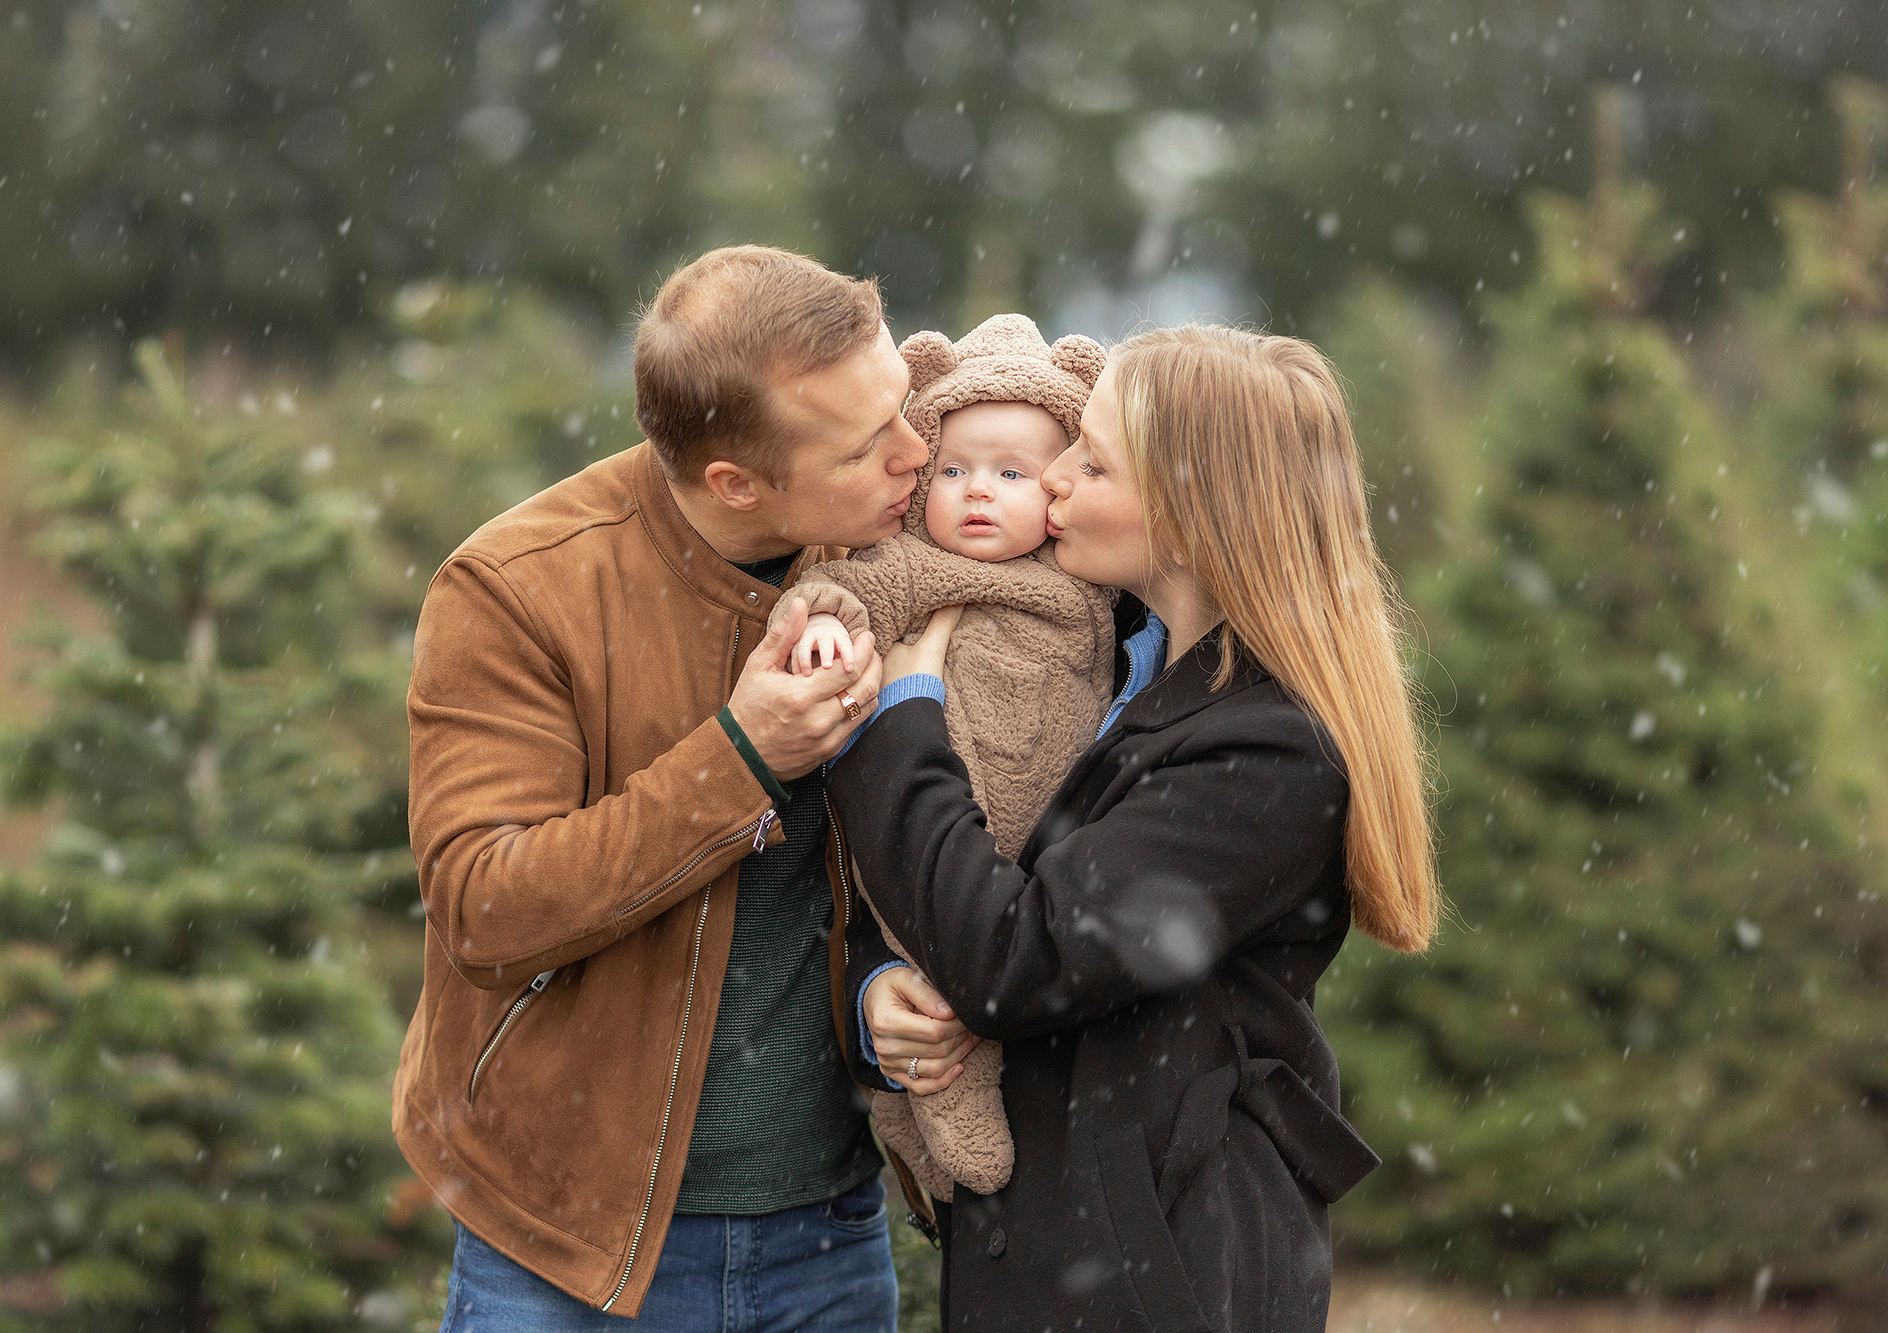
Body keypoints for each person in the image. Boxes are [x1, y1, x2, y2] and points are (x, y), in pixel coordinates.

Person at [394, 244, 965, 1331]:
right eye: (864, 444)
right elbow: (483, 905)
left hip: (829, 1233)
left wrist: (881, 992)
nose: (914, 452)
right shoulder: (516, 589)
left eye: (902, 402)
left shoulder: (910, 554)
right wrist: (740, 758)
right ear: (734, 483)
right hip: (565, 1246)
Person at [835, 324, 1440, 1331]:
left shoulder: (1268, 753)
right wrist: (875, 989)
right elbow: (951, 873)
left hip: (1155, 1271)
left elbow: (1013, 955)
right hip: (1050, 1252)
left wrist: (898, 719)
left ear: (1193, 508)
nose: (1053, 476)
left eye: (1092, 458)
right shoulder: (1094, 658)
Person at [777, 313, 1117, 1202]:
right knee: (928, 978)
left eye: (1012, 475)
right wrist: (819, 625)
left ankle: (947, 1153)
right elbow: (844, 588)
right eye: (954, 471)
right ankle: (938, 1135)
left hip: (1042, 855)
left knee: (995, 971)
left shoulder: (1091, 580)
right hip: (932, 820)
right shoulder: (918, 569)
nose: (977, 493)